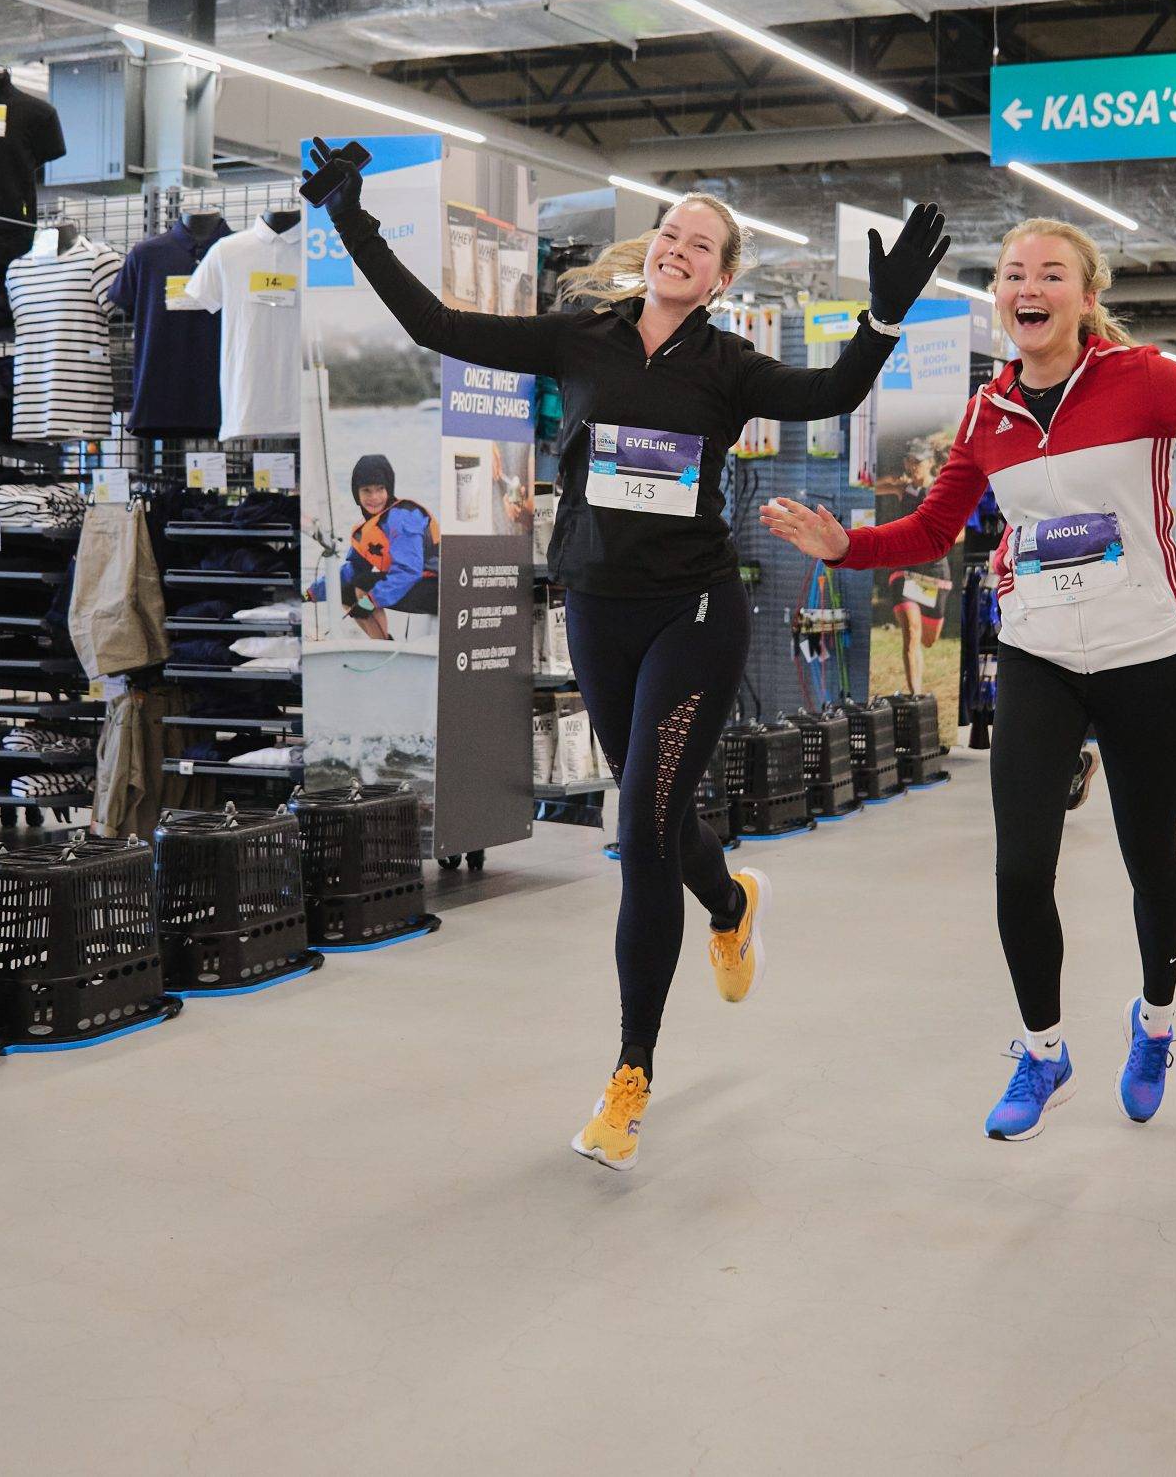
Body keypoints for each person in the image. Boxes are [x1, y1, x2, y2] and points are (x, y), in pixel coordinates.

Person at [304, 138, 949, 1171]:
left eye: (702, 245)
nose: (679, 251)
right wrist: (351, 217)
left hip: (693, 616)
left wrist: (880, 320)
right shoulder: (580, 341)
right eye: (671, 236)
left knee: (638, 832)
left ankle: (630, 1075)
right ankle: (730, 903)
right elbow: (433, 325)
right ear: (650, 252)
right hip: (598, 612)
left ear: (722, 277)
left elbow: (830, 395)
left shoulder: (730, 366)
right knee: (659, 816)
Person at [764, 221, 1176, 1141]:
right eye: (1010, 275)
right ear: (999, 297)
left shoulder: (1142, 378)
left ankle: (1154, 1022)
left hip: (1146, 657)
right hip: (1038, 655)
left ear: (1085, 295)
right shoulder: (984, 415)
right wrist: (848, 547)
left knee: (1150, 858)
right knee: (1020, 864)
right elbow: (929, 529)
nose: (1025, 287)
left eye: (1049, 274)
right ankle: (1044, 1052)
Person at [311, 453, 436, 641]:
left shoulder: (403, 518)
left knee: (364, 584)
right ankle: (381, 645)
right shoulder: (367, 529)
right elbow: (351, 572)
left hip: (437, 589)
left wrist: (371, 601)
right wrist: (311, 592)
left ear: (389, 489)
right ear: (356, 494)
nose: (374, 497)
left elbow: (409, 571)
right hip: (414, 587)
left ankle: (383, 649)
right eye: (366, 491)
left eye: (380, 489)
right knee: (344, 592)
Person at [885, 438, 950, 695]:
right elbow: (874, 485)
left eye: (918, 462)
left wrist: (937, 541)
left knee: (928, 640)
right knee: (911, 633)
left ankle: (917, 692)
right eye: (909, 461)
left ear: (930, 463)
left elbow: (961, 531)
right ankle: (915, 697)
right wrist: (893, 481)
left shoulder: (941, 490)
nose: (913, 467)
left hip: (934, 572)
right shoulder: (903, 490)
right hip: (905, 570)